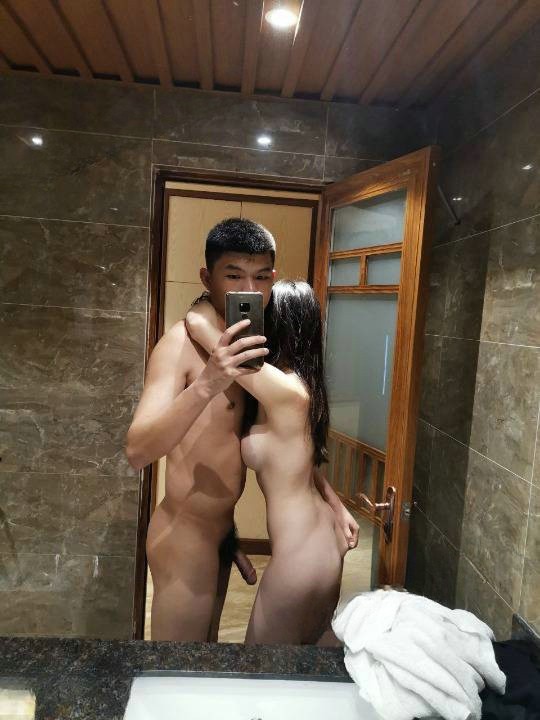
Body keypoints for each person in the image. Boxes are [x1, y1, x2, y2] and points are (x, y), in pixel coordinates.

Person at [126, 218, 358, 642]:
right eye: (233, 275)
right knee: (180, 671)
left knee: (210, 665)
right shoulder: (181, 345)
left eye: (262, 277)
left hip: (221, 532)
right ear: (207, 278)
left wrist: (332, 500)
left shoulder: (254, 347)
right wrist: (207, 383)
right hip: (185, 538)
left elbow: (293, 440)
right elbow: (138, 451)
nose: (250, 289)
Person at [186, 279, 357, 645]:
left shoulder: (284, 390)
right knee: (301, 664)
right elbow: (303, 461)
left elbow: (199, 325)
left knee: (258, 670)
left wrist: (211, 298)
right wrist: (338, 505)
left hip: (301, 556)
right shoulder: (296, 386)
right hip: (321, 542)